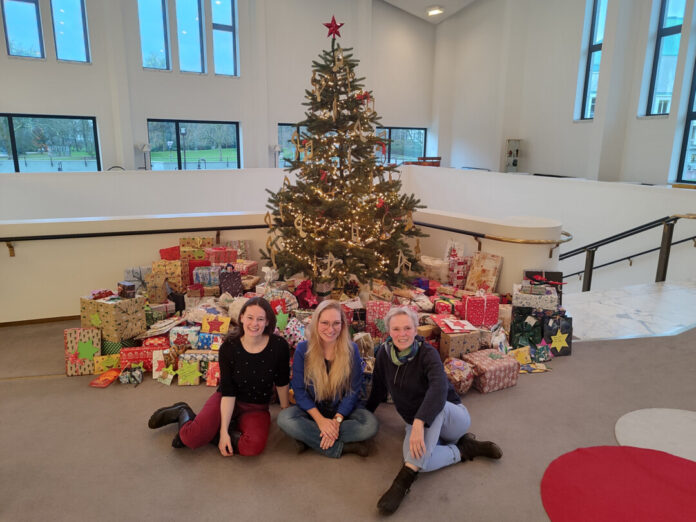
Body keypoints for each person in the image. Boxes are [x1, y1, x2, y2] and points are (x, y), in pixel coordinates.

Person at [366, 307, 502, 515]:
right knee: (421, 461)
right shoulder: (383, 356)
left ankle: (403, 482)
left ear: (415, 329)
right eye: (396, 329)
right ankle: (464, 449)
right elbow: (377, 389)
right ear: (389, 331)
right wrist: (363, 415)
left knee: (432, 407)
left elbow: (438, 390)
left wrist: (419, 423)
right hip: (418, 421)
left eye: (407, 328)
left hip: (452, 416)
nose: (402, 334)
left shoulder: (427, 353)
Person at [147, 297, 290, 456]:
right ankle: (183, 411)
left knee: (251, 447)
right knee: (190, 438)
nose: (254, 323)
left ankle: (214, 430)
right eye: (250, 317)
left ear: (268, 321)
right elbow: (228, 392)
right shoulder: (229, 347)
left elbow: (282, 381)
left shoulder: (279, 346)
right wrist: (222, 434)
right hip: (228, 399)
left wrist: (285, 409)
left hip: (256, 407)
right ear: (241, 317)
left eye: (260, 319)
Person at [277, 299, 378, 458]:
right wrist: (321, 421)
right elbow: (299, 391)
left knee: (369, 425)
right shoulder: (303, 350)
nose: (330, 329)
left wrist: (336, 421)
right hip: (313, 409)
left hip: (344, 412)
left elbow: (353, 391)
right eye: (325, 323)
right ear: (316, 323)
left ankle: (310, 438)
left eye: (336, 323)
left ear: (342, 325)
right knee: (284, 419)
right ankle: (340, 447)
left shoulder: (351, 350)